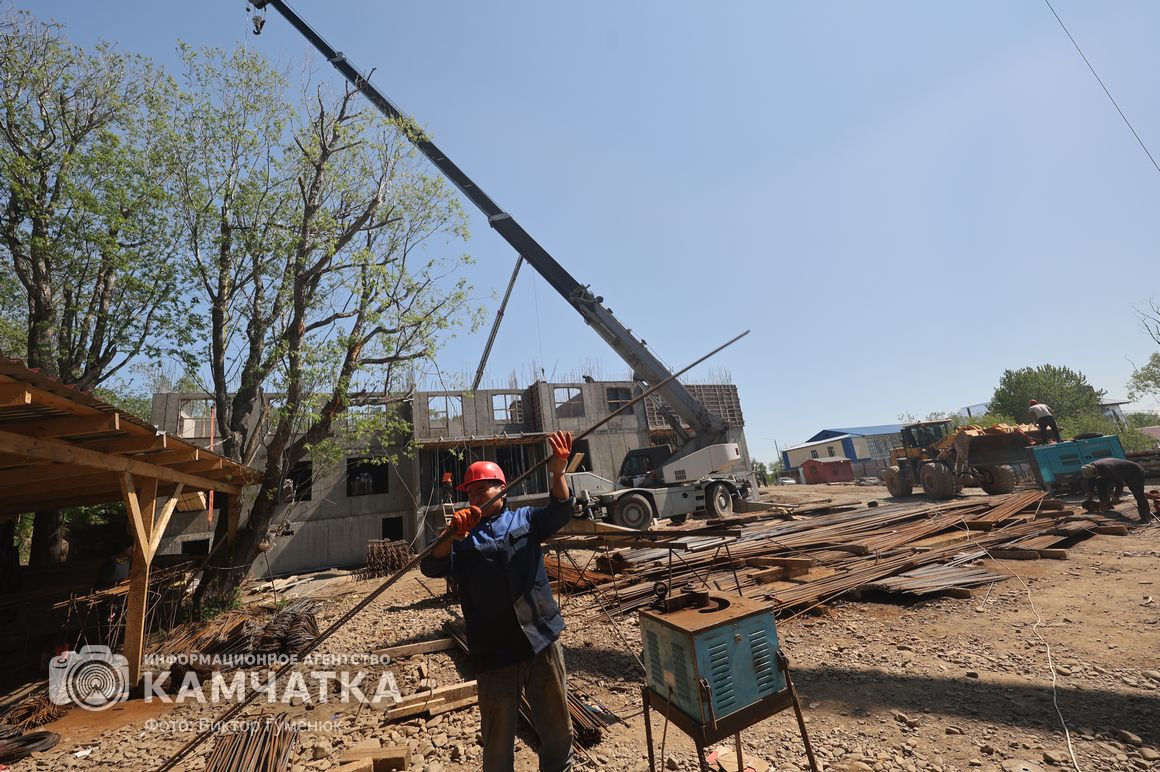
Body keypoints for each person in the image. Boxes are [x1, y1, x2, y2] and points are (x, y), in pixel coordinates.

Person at [420, 431, 575, 772]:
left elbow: (561, 510)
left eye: (483, 488)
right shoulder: (462, 536)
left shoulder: (527, 520)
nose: (476, 494)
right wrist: (449, 535)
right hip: (494, 653)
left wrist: (558, 473)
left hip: (540, 643)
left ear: (502, 489)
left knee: (557, 731)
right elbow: (432, 565)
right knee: (497, 740)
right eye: (472, 491)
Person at [1081, 458, 1152, 523]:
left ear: (1095, 470)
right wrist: (1089, 492)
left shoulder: (1107, 468)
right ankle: (1106, 506)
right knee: (1100, 484)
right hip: (1119, 473)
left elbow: (1120, 483)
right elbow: (1091, 480)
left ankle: (1146, 518)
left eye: (1094, 474)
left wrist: (1116, 496)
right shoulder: (1089, 468)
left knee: (1138, 494)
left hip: (1134, 472)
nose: (1094, 476)